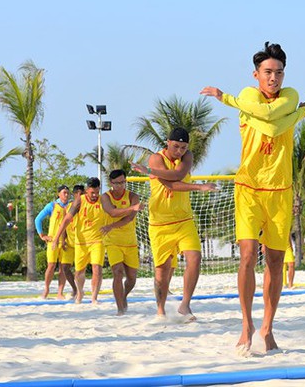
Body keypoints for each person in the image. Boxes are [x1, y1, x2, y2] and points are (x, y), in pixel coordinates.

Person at [200, 41, 305, 354]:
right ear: (256, 74)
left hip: (280, 190)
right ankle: (246, 325)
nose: (274, 78)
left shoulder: (290, 96)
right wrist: (301, 114)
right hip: (249, 188)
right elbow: (268, 124)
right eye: (268, 72)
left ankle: (267, 328)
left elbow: (270, 119)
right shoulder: (247, 96)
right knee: (246, 255)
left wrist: (296, 111)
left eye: (279, 72)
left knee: (276, 261)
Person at [131, 128, 216, 321]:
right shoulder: (155, 159)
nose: (179, 151)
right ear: (167, 142)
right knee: (162, 271)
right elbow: (169, 184)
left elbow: (177, 174)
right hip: (160, 223)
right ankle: (160, 310)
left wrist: (154, 173)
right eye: (176, 146)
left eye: (183, 147)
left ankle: (185, 305)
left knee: (194, 258)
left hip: (184, 219)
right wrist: (199, 187)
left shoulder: (188, 156)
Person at [52, 178, 108, 304]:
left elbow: (113, 212)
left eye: (96, 192)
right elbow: (66, 220)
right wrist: (56, 238)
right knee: (79, 272)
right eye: (92, 192)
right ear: (87, 190)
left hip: (97, 240)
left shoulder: (104, 199)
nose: (94, 195)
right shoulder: (79, 201)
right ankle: (80, 292)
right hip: (81, 242)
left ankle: (94, 297)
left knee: (97, 269)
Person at [100, 169, 144, 315]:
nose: (120, 186)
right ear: (111, 183)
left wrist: (111, 225)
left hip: (130, 241)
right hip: (112, 240)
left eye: (122, 182)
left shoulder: (133, 196)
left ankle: (124, 295)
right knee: (117, 273)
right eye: (117, 183)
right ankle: (120, 309)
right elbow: (112, 212)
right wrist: (132, 208)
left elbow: (129, 218)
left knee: (131, 279)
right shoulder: (105, 197)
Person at [34, 185, 76, 300]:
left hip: (66, 242)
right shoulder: (52, 205)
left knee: (63, 268)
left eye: (68, 193)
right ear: (58, 194)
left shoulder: (71, 206)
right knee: (51, 265)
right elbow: (38, 219)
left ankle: (60, 292)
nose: (66, 195)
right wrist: (42, 235)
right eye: (64, 192)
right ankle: (46, 290)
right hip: (53, 241)